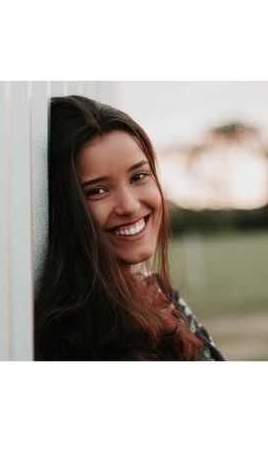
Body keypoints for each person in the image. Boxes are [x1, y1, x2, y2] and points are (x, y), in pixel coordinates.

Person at [34, 95, 225, 361]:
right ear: (65, 207)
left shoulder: (157, 292)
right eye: (97, 191)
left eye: (138, 176)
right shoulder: (87, 341)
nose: (130, 206)